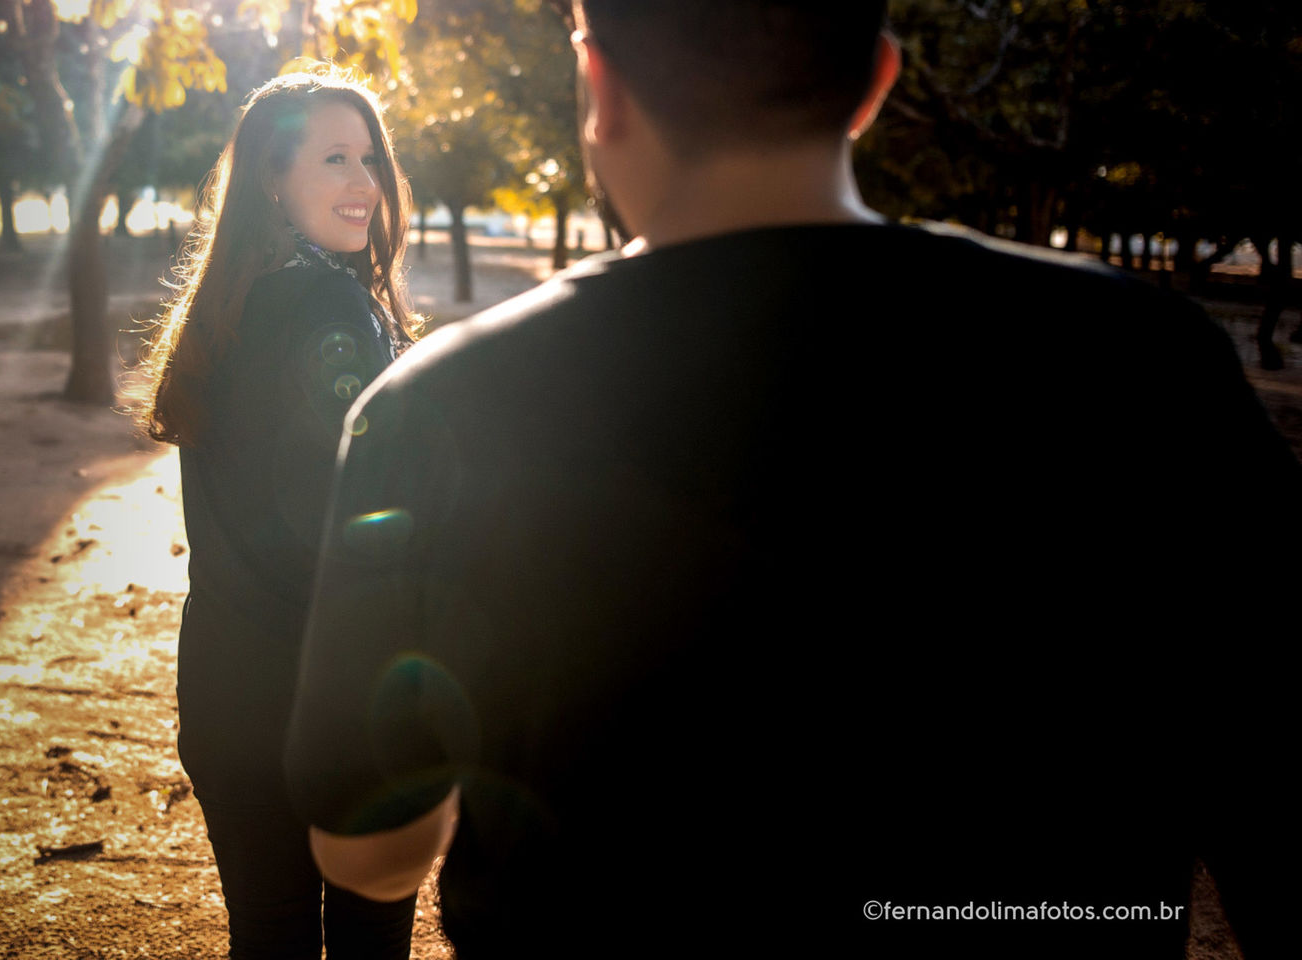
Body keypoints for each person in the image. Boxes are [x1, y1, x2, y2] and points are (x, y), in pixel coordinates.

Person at [284, 3, 1301, 958]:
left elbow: (367, 852)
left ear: (599, 84)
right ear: (876, 79)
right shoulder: (1148, 366)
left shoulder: (437, 407)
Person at [134, 66, 418, 960]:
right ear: (271, 178)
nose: (364, 184)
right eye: (335, 158)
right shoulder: (333, 307)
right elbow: (356, 530)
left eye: (369, 159)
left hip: (226, 694)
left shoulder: (221, 309)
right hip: (336, 700)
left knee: (269, 938)